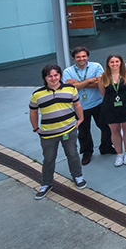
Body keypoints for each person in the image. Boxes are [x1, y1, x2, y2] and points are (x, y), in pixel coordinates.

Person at [29, 65, 87, 199]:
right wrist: (36, 128)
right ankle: (46, 183)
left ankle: (77, 176)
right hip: (48, 134)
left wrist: (81, 119)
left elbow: (77, 105)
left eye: (56, 75)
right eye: (50, 76)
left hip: (69, 130)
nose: (53, 78)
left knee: (72, 154)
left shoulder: (70, 89)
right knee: (49, 159)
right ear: (45, 78)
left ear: (60, 75)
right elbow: (33, 112)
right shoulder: (37, 94)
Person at [62, 46, 114, 164]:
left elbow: (101, 84)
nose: (81, 59)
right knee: (84, 131)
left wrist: (79, 84)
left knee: (106, 127)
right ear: (74, 58)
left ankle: (106, 147)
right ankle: (87, 152)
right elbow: (70, 89)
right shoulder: (68, 71)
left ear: (88, 56)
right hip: (79, 106)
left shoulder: (96, 66)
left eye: (84, 56)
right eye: (78, 57)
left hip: (98, 103)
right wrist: (90, 80)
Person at [99, 54, 126, 167]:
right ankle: (119, 153)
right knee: (114, 130)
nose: (115, 64)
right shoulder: (103, 77)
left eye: (117, 61)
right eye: (112, 62)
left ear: (121, 62)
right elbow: (103, 93)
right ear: (108, 64)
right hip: (110, 106)